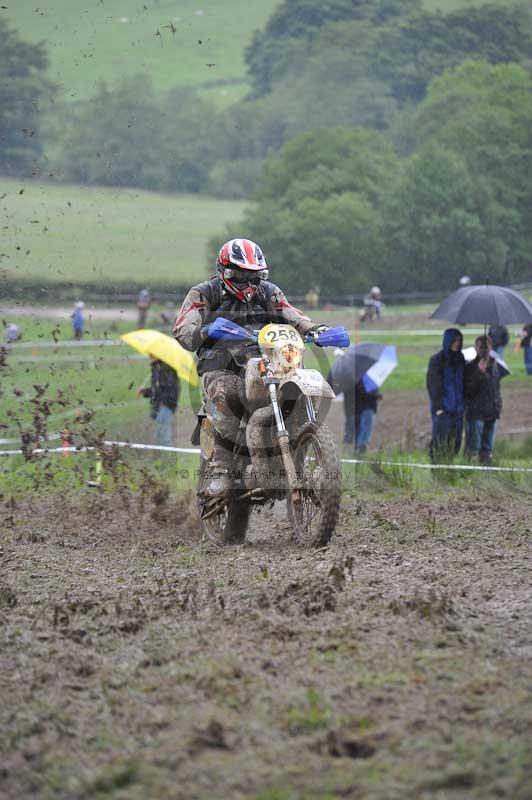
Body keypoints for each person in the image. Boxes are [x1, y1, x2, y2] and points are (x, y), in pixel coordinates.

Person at [173, 238, 328, 497]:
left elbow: (290, 313)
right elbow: (182, 329)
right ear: (225, 272)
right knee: (226, 393)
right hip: (222, 367)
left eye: (255, 276)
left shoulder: (268, 292)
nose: (249, 283)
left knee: (297, 387)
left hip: (267, 364)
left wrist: (313, 329)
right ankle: (221, 470)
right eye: (241, 276)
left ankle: (303, 448)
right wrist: (205, 329)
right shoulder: (204, 293)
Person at [426, 328, 465, 462]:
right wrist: (438, 408)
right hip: (443, 410)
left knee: (455, 444)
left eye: (460, 340)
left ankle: (448, 471)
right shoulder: (437, 360)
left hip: (458, 410)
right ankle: (437, 473)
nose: (457, 343)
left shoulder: (461, 358)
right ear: (447, 341)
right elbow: (432, 385)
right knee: (440, 443)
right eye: (454, 340)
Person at [464, 335, 502, 465]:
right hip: (476, 414)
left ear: (491, 347)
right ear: (476, 348)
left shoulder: (495, 365)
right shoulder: (469, 367)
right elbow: (468, 391)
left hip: (491, 413)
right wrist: (479, 372)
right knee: (473, 448)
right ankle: (469, 472)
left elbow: (496, 389)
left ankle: (486, 474)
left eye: (486, 346)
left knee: (487, 449)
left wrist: (498, 406)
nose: (484, 350)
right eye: (481, 347)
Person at [138, 357, 180, 446]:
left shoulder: (167, 369)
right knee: (159, 432)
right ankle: (162, 454)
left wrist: (164, 402)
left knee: (162, 431)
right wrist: (144, 391)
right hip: (159, 404)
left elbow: (171, 388)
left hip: (166, 404)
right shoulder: (156, 369)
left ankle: (168, 454)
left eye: (152, 354)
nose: (149, 356)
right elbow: (156, 390)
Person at [343, 380, 381, 453]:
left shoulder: (350, 378)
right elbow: (363, 394)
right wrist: (376, 396)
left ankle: (355, 449)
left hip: (355, 409)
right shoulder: (363, 379)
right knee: (365, 429)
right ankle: (360, 449)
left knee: (357, 430)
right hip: (366, 407)